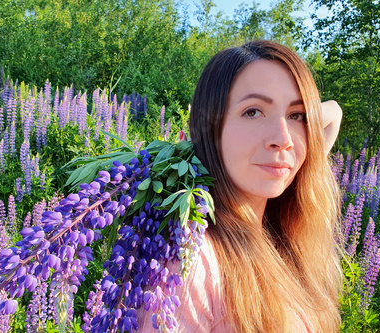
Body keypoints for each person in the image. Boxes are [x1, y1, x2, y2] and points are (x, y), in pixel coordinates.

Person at [139, 40, 343, 332]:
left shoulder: (274, 237)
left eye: (296, 115)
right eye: (253, 111)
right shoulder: (192, 260)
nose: (283, 138)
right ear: (212, 127)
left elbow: (332, 113)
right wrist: (197, 146)